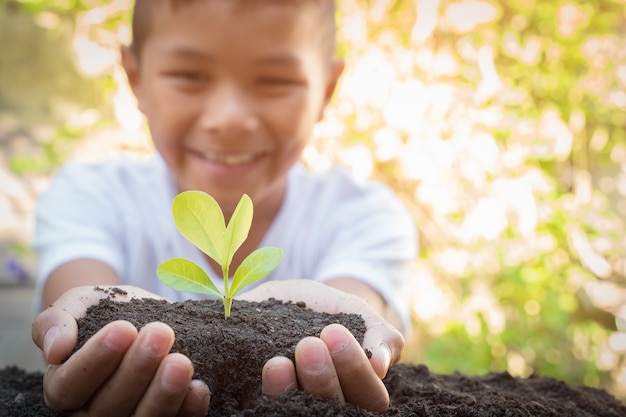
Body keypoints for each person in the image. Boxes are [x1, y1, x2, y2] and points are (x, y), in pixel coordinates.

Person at [30, 0, 418, 416]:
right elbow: (81, 304)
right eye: (189, 76)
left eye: (273, 80)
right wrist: (89, 333)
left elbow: (348, 312)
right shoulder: (90, 195)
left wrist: (341, 338)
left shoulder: (361, 214)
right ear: (135, 78)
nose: (229, 118)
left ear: (326, 89)